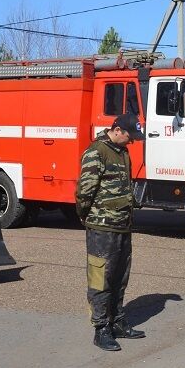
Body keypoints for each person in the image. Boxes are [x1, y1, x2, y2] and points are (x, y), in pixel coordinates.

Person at [76, 112, 146, 352]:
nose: (131, 141)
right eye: (129, 136)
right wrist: (86, 216)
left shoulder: (122, 152)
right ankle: (101, 328)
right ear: (117, 130)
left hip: (122, 225)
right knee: (100, 279)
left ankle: (117, 322)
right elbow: (85, 190)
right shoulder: (96, 152)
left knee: (120, 277)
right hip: (102, 227)